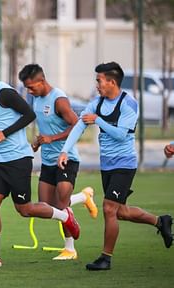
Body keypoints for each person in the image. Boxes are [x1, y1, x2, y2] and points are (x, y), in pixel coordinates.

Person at [0, 55, 80, 268]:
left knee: (25, 210)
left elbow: (28, 115)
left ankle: (64, 217)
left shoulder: (5, 92)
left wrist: (5, 133)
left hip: (18, 159)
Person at [58, 61, 173, 270]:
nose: (97, 85)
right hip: (107, 165)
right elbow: (80, 125)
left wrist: (99, 121)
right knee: (121, 212)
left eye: (99, 80)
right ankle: (160, 221)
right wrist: (65, 150)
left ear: (112, 82)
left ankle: (105, 258)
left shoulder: (129, 104)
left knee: (108, 208)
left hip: (124, 164)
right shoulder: (97, 103)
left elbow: (121, 135)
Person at [19, 64, 98, 260]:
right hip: (47, 161)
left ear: (42, 81)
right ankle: (83, 197)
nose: (29, 91)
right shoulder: (36, 99)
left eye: (31, 87)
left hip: (67, 158)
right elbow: (48, 128)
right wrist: (39, 142)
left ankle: (70, 249)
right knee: (47, 206)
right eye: (26, 88)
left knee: (61, 206)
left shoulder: (59, 100)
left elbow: (78, 125)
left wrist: (52, 139)